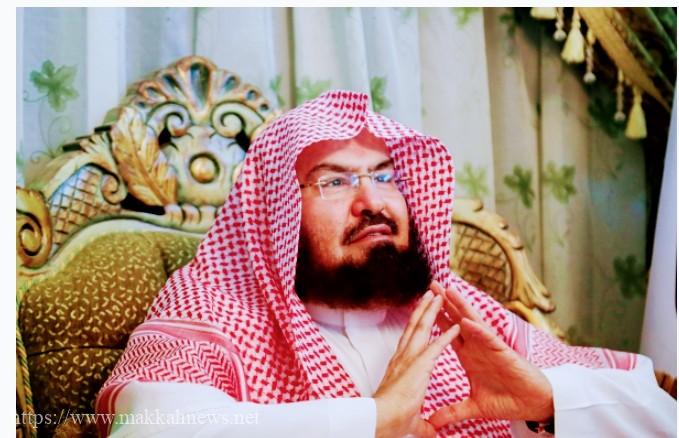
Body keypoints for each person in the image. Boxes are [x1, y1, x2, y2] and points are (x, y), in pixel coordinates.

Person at [96, 90, 676, 437]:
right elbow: (151, 427)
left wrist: (546, 401)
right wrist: (373, 420)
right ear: (276, 210)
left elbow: (661, 415)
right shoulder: (216, 306)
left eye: (384, 176)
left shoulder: (449, 308)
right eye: (334, 182)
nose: (372, 200)